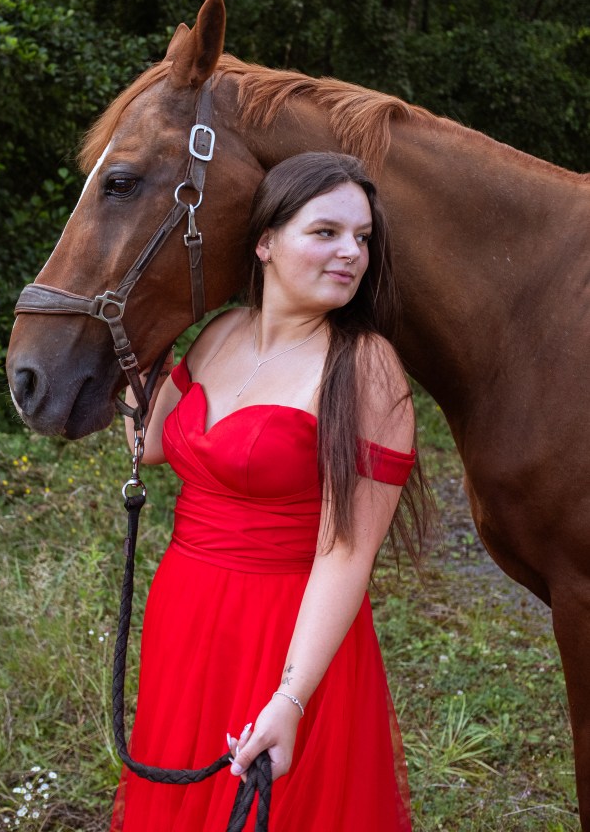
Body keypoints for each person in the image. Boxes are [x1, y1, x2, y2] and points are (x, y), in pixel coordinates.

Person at [109, 151, 432, 832]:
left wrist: (290, 697)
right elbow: (158, 443)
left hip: (286, 630)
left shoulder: (365, 366)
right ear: (264, 242)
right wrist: (131, 345)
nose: (350, 252)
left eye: (362, 238)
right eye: (326, 233)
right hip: (186, 612)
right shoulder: (219, 333)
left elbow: (346, 554)